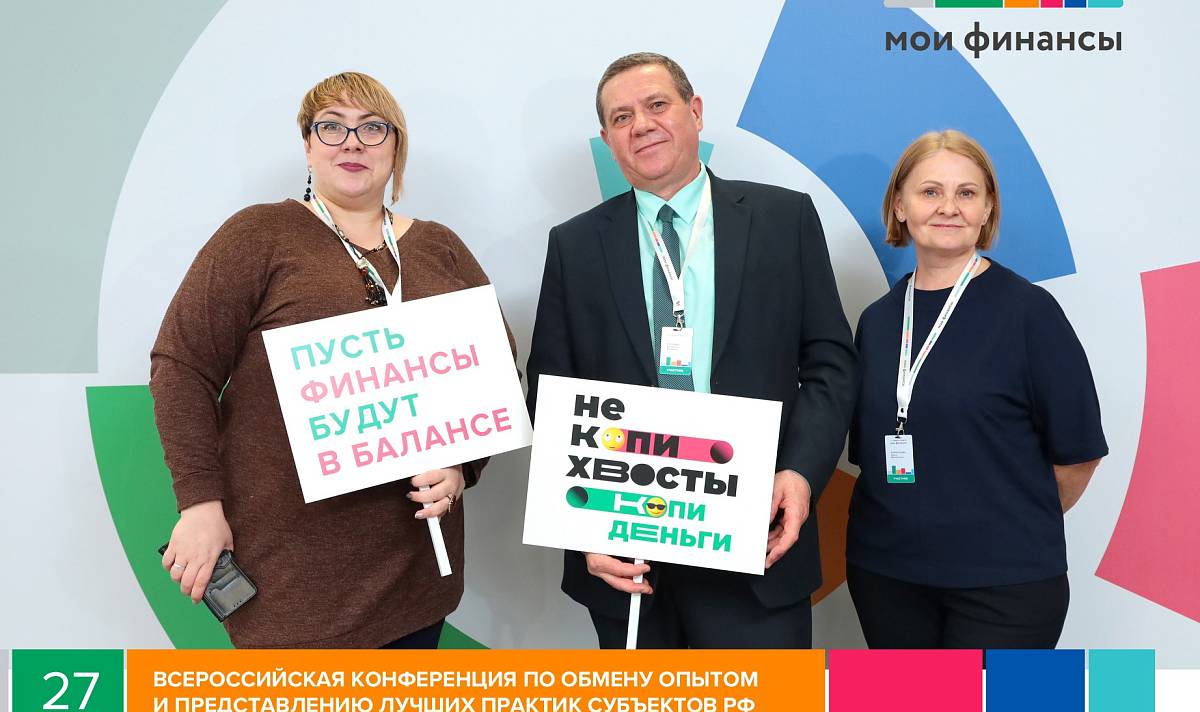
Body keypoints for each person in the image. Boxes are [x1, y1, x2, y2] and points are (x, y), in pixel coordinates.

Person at [151, 72, 512, 648]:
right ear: (308, 145)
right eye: (332, 127)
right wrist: (199, 503)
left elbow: (496, 369)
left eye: (372, 128)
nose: (352, 142)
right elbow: (181, 367)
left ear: (396, 148)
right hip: (292, 577)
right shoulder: (259, 235)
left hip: (418, 574)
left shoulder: (439, 245)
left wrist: (462, 464)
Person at [525, 53, 857, 648]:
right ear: (607, 140)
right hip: (626, 552)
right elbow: (552, 391)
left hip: (756, 535)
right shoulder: (575, 245)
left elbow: (830, 364)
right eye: (621, 117)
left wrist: (801, 474)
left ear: (695, 112)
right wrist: (583, 524)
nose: (641, 125)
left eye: (657, 105)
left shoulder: (784, 218)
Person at [846, 130, 1107, 649]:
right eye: (930, 191)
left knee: (998, 710)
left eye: (966, 193)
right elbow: (870, 457)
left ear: (987, 209)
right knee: (907, 710)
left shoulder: (1030, 314)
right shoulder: (877, 322)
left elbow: (1077, 457)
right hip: (887, 578)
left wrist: (1003, 526)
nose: (949, 207)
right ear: (900, 206)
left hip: (1005, 586)